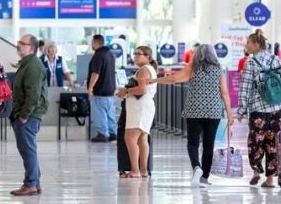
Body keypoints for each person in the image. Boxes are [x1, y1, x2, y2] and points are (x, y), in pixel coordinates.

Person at [148, 44, 234, 187]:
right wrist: (230, 115)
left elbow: (174, 79)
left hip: (194, 110)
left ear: (197, 54)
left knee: (193, 142)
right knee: (208, 144)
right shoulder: (218, 70)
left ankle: (196, 167)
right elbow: (224, 93)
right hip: (213, 112)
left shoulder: (192, 67)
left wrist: (154, 80)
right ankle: (204, 178)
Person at [237, 32, 281, 188]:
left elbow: (245, 88)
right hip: (279, 108)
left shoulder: (251, 63)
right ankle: (270, 180)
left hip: (259, 110)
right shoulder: (276, 59)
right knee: (274, 143)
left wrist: (241, 110)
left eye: (248, 43)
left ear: (257, 44)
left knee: (255, 141)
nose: (246, 46)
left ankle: (256, 170)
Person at [9, 34, 46, 196]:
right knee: (28, 149)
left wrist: (24, 115)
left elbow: (33, 94)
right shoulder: (27, 64)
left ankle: (30, 183)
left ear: (31, 48)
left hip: (28, 115)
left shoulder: (33, 66)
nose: (18, 45)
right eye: (18, 43)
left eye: (21, 44)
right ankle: (34, 183)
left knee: (28, 150)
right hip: (25, 113)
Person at [116, 46, 157, 178]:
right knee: (142, 139)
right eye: (134, 54)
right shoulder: (147, 69)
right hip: (143, 107)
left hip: (140, 107)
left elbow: (141, 90)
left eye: (139, 54)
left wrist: (126, 91)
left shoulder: (144, 70)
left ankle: (135, 170)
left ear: (148, 57)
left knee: (130, 137)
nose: (135, 56)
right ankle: (143, 170)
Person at [88, 34, 118, 142]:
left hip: (100, 90)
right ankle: (112, 133)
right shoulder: (110, 54)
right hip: (110, 90)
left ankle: (102, 133)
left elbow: (95, 73)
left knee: (99, 112)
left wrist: (90, 88)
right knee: (110, 113)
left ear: (96, 43)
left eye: (92, 42)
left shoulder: (98, 55)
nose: (91, 44)